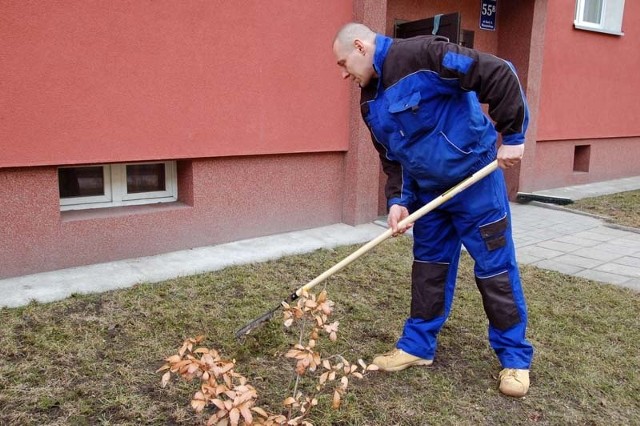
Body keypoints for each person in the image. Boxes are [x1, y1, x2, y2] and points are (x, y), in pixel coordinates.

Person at [332, 22, 534, 398]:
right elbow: (392, 157)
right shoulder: (369, 101)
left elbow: (498, 71)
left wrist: (514, 136)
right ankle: (417, 347)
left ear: (360, 46)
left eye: (344, 63)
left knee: (495, 271)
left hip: (476, 183)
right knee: (429, 269)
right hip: (429, 197)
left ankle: (515, 360)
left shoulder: (423, 55)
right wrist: (398, 199)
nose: (344, 73)